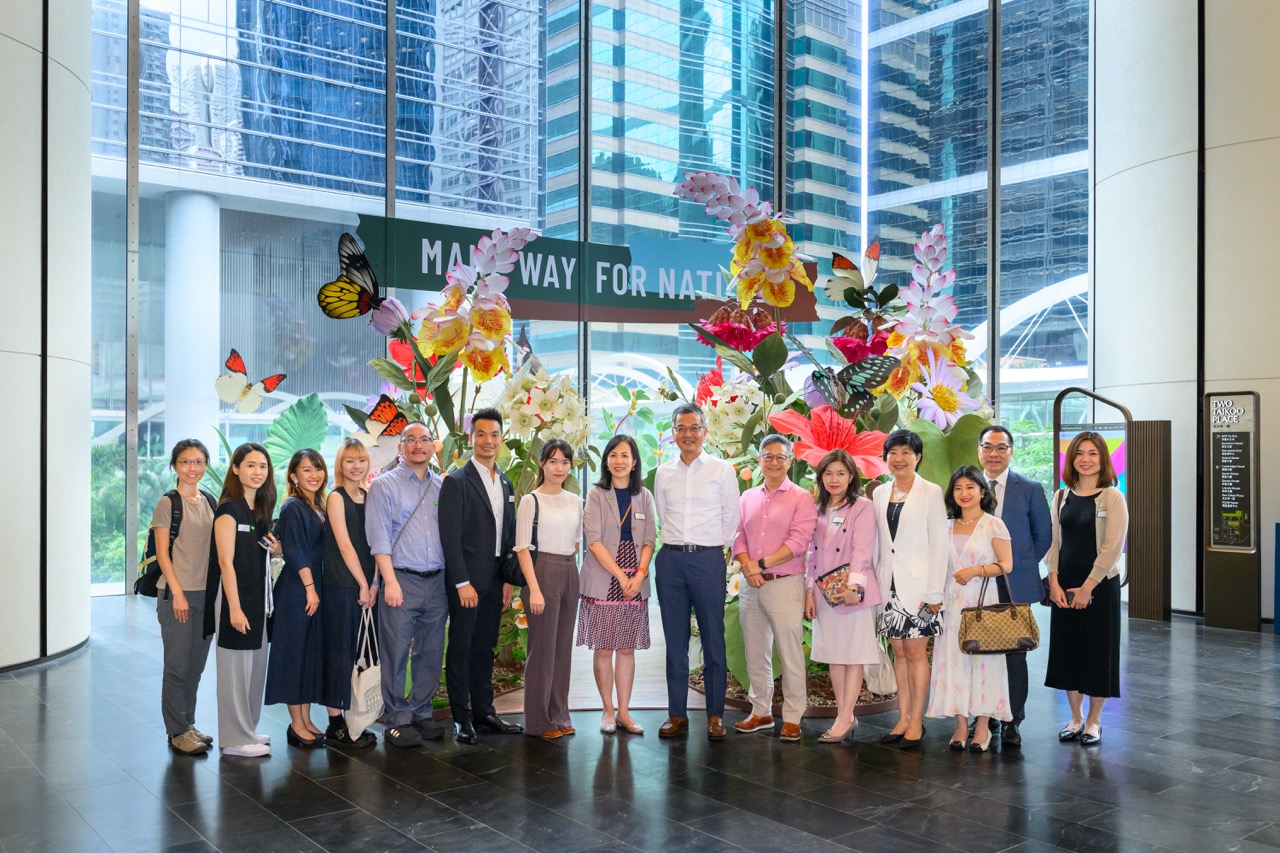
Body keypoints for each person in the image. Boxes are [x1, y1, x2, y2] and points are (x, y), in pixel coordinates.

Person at [653, 402, 740, 741]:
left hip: (707, 560)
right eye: (681, 428)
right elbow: (662, 513)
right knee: (674, 642)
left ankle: (715, 715)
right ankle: (676, 714)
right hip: (671, 560)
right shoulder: (664, 472)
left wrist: (715, 550)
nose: (688, 434)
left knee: (713, 637)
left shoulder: (722, 470)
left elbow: (730, 519)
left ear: (705, 432)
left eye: (694, 428)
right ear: (673, 434)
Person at [439, 408, 524, 744]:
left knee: (485, 647)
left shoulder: (505, 481)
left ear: (501, 439)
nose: (488, 441)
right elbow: (449, 536)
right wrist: (461, 583)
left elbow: (507, 535)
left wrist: (506, 580)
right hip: (467, 583)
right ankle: (461, 718)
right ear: (471, 438)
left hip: (494, 580)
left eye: (494, 435)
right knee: (461, 647)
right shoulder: (456, 482)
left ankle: (485, 712)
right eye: (481, 435)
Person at [365, 422, 449, 748]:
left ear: (432, 446)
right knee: (396, 652)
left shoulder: (442, 486)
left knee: (430, 652)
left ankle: (421, 713)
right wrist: (389, 581)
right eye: (410, 440)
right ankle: (397, 718)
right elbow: (379, 538)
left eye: (424, 440)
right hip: (400, 579)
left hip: (437, 581)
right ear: (401, 446)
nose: (418, 445)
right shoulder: (384, 486)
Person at [732, 434, 817, 742]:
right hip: (750, 585)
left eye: (780, 457)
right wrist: (747, 565)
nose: (773, 462)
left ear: (789, 461)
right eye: (768, 456)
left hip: (784, 583)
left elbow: (798, 543)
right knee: (755, 652)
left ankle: (793, 716)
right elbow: (737, 535)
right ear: (759, 460)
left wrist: (760, 565)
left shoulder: (801, 498)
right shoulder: (747, 497)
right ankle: (761, 711)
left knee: (789, 652)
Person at [1045, 431, 1129, 747]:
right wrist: (1053, 582)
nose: (1085, 459)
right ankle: (1075, 718)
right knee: (1068, 652)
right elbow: (1054, 544)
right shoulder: (1060, 496)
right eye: (1079, 452)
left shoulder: (1112, 497)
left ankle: (1094, 721)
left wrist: (1087, 587)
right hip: (1064, 586)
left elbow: (1112, 547)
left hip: (1099, 587)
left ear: (1102, 459)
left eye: (1093, 453)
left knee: (1097, 653)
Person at [926, 466, 1014, 752]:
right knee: (954, 662)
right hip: (951, 605)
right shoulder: (946, 525)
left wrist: (976, 570)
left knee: (984, 662)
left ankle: (982, 728)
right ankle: (961, 726)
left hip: (982, 603)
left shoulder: (993, 524)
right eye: (958, 488)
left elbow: (1006, 565)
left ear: (982, 491)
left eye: (970, 487)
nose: (964, 493)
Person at [871, 429, 948, 749]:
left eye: (906, 452)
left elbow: (939, 544)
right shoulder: (878, 493)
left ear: (918, 457)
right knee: (898, 653)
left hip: (918, 587)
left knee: (916, 654)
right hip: (887, 586)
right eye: (893, 452)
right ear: (886, 458)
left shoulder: (931, 492)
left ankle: (917, 721)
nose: (899, 458)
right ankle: (902, 719)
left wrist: (934, 593)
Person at [976, 424, 1052, 747]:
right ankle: (983, 716)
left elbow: (1043, 536)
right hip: (976, 583)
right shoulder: (967, 486)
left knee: (1013, 654)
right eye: (988, 447)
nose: (994, 454)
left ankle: (1011, 721)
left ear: (1011, 452)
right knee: (978, 652)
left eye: (1001, 448)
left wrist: (1017, 568)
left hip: (1013, 583)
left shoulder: (1030, 488)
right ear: (978, 450)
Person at [577, 434, 656, 736]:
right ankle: (607, 711)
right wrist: (622, 577)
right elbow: (593, 541)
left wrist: (639, 574)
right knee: (604, 647)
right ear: (606, 461)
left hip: (636, 574)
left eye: (625, 455)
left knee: (626, 649)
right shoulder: (596, 494)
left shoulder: (644, 496)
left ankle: (624, 712)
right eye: (613, 455)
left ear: (635, 461)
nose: (619, 461)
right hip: (604, 575)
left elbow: (650, 539)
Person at [204, 442, 278, 757]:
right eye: (250, 465)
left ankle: (248, 727)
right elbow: (225, 562)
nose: (257, 472)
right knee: (235, 668)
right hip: (235, 597)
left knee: (255, 666)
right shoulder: (228, 509)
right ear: (236, 468)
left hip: (258, 597)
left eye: (262, 466)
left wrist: (276, 549)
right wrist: (234, 607)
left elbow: (261, 553)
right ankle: (234, 738)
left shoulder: (259, 509)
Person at [803, 449, 880, 744]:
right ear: (821, 477)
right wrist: (809, 591)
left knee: (853, 655)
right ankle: (845, 714)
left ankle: (845, 717)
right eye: (828, 473)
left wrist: (855, 587)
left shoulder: (862, 506)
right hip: (824, 593)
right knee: (835, 656)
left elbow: (862, 550)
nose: (834, 479)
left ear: (851, 477)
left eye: (841, 473)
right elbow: (811, 554)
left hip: (851, 593)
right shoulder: (817, 508)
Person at [152, 439, 218, 756]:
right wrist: (177, 592)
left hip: (206, 596)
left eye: (198, 461)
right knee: (177, 666)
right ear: (175, 465)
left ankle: (188, 724)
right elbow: (162, 553)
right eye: (185, 461)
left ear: (206, 465)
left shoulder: (210, 501)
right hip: (176, 594)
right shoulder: (169, 503)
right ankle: (176, 730)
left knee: (195, 667)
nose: (192, 468)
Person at [514, 439, 583, 739]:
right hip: (541, 572)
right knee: (542, 651)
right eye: (553, 461)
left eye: (565, 462)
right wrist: (535, 589)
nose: (559, 467)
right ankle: (539, 722)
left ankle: (559, 715)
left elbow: (577, 542)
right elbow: (521, 548)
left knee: (562, 651)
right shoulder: (531, 500)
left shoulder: (575, 500)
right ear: (541, 463)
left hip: (570, 571)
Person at [265, 449, 330, 747]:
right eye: (306, 470)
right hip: (298, 590)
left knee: (307, 655)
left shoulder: (318, 504)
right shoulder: (293, 506)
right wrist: (310, 587)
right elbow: (294, 550)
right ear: (293, 475)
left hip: (312, 586)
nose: (313, 475)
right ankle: (295, 724)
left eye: (317, 469)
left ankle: (305, 720)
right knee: (294, 656)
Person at [320, 438, 378, 747]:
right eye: (349, 461)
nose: (356, 467)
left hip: (367, 587)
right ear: (340, 465)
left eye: (361, 461)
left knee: (360, 655)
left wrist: (375, 583)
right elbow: (345, 545)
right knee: (339, 653)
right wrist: (362, 583)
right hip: (343, 586)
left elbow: (379, 542)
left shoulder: (369, 496)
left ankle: (355, 719)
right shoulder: (336, 497)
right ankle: (334, 723)